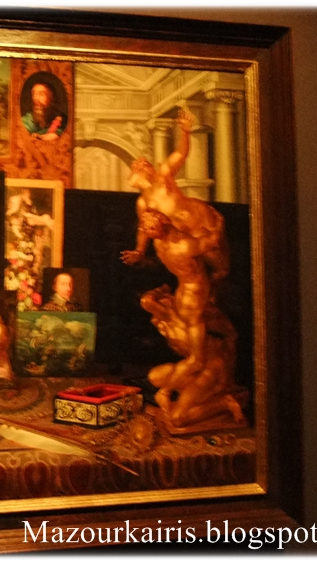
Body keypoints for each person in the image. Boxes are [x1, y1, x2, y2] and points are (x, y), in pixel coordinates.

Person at [133, 209, 243, 428]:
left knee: (177, 418)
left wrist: (218, 223)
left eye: (151, 227)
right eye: (146, 228)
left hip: (210, 370)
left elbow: (202, 357)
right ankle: (184, 392)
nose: (156, 321)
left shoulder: (185, 247)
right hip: (188, 295)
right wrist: (140, 250)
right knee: (154, 376)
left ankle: (224, 401)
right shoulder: (161, 244)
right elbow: (147, 301)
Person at [120, 108, 229, 284]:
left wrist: (185, 132)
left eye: (146, 164)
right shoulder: (143, 202)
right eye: (141, 166)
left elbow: (180, 154)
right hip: (182, 233)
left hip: (198, 218)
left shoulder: (163, 175)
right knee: (196, 266)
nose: (146, 166)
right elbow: (143, 228)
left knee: (219, 263)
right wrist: (139, 250)